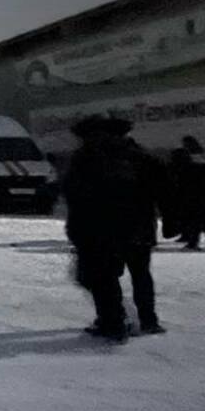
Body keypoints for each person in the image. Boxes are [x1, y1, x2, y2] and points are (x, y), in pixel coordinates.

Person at [62, 115, 167, 340]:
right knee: (141, 274)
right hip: (140, 226)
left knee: (103, 277)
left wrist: (76, 231)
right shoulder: (142, 156)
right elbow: (163, 188)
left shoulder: (86, 157)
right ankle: (149, 320)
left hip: (101, 229)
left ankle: (112, 322)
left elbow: (75, 196)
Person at [168, 136, 205, 250]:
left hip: (194, 194)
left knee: (194, 220)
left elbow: (182, 176)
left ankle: (193, 241)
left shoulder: (187, 159)